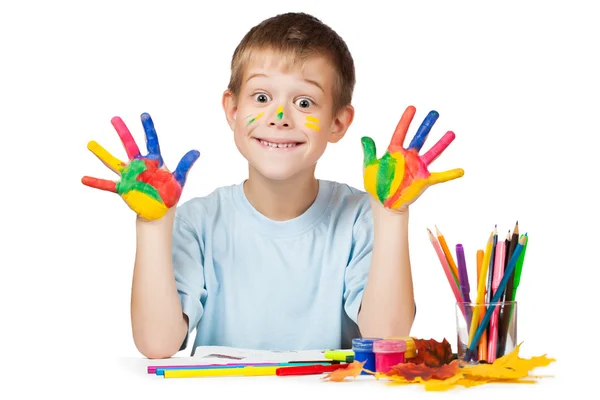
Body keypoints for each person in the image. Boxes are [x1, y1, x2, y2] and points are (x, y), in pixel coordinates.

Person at [82, 12, 463, 359]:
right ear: (232, 110)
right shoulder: (197, 222)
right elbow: (156, 344)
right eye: (261, 97)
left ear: (338, 123)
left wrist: (392, 214)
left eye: (305, 102)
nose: (280, 117)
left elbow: (386, 340)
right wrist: (153, 226)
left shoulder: (362, 217)